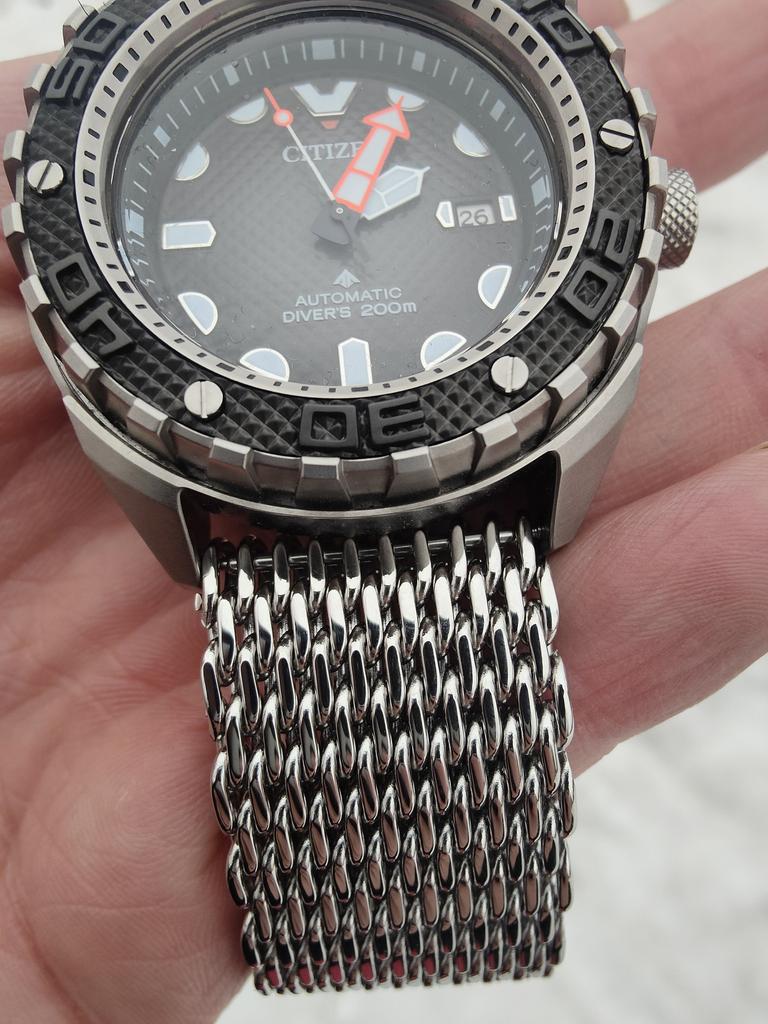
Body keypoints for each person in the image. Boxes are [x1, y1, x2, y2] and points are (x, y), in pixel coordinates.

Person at [0, 0, 766, 1019]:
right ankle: (437, 915)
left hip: (467, 477)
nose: (343, 214)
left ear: (652, 218)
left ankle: (449, 915)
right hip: (241, 490)